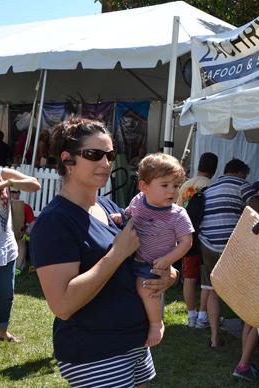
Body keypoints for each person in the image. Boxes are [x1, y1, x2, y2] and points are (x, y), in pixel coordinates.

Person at [30, 117, 179, 386]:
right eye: (93, 154)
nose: (106, 163)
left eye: (109, 154)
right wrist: (116, 254)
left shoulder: (110, 207)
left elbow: (139, 260)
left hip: (134, 340)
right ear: (67, 160)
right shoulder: (54, 222)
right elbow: (62, 305)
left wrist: (170, 275)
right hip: (94, 350)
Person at [0, 137, 40, 353]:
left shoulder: (1, 173)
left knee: (5, 293)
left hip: (4, 248)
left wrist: (9, 183)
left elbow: (35, 184)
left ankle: (1, 332)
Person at [122, 153, 193, 347]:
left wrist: (168, 260)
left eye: (176, 186)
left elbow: (186, 242)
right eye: (165, 185)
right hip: (132, 257)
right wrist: (120, 217)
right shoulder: (138, 201)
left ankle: (156, 323)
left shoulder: (178, 214)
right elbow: (128, 215)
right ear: (144, 187)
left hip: (153, 263)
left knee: (145, 288)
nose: (172, 191)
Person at [198, 158, 255, 348]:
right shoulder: (243, 186)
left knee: (214, 289)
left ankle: (215, 337)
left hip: (207, 243)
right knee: (248, 288)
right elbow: (257, 212)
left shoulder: (210, 189)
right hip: (232, 245)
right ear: (240, 173)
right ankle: (247, 336)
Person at [177, 152, 218, 329]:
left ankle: (190, 315)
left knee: (189, 276)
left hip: (187, 235)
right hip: (206, 236)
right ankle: (203, 315)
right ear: (214, 169)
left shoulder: (185, 185)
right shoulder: (212, 186)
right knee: (207, 279)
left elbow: (177, 210)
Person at [231, 193, 259, 382]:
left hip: (247, 278)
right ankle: (243, 364)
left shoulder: (243, 226)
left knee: (249, 322)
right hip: (257, 280)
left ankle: (244, 360)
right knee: (258, 323)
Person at [11, 189, 36, 273]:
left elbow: (32, 223)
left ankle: (18, 268)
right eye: (12, 192)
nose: (14, 195)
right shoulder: (2, 205)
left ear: (19, 193)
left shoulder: (26, 207)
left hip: (20, 234)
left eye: (16, 192)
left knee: (22, 241)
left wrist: (26, 232)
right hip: (5, 235)